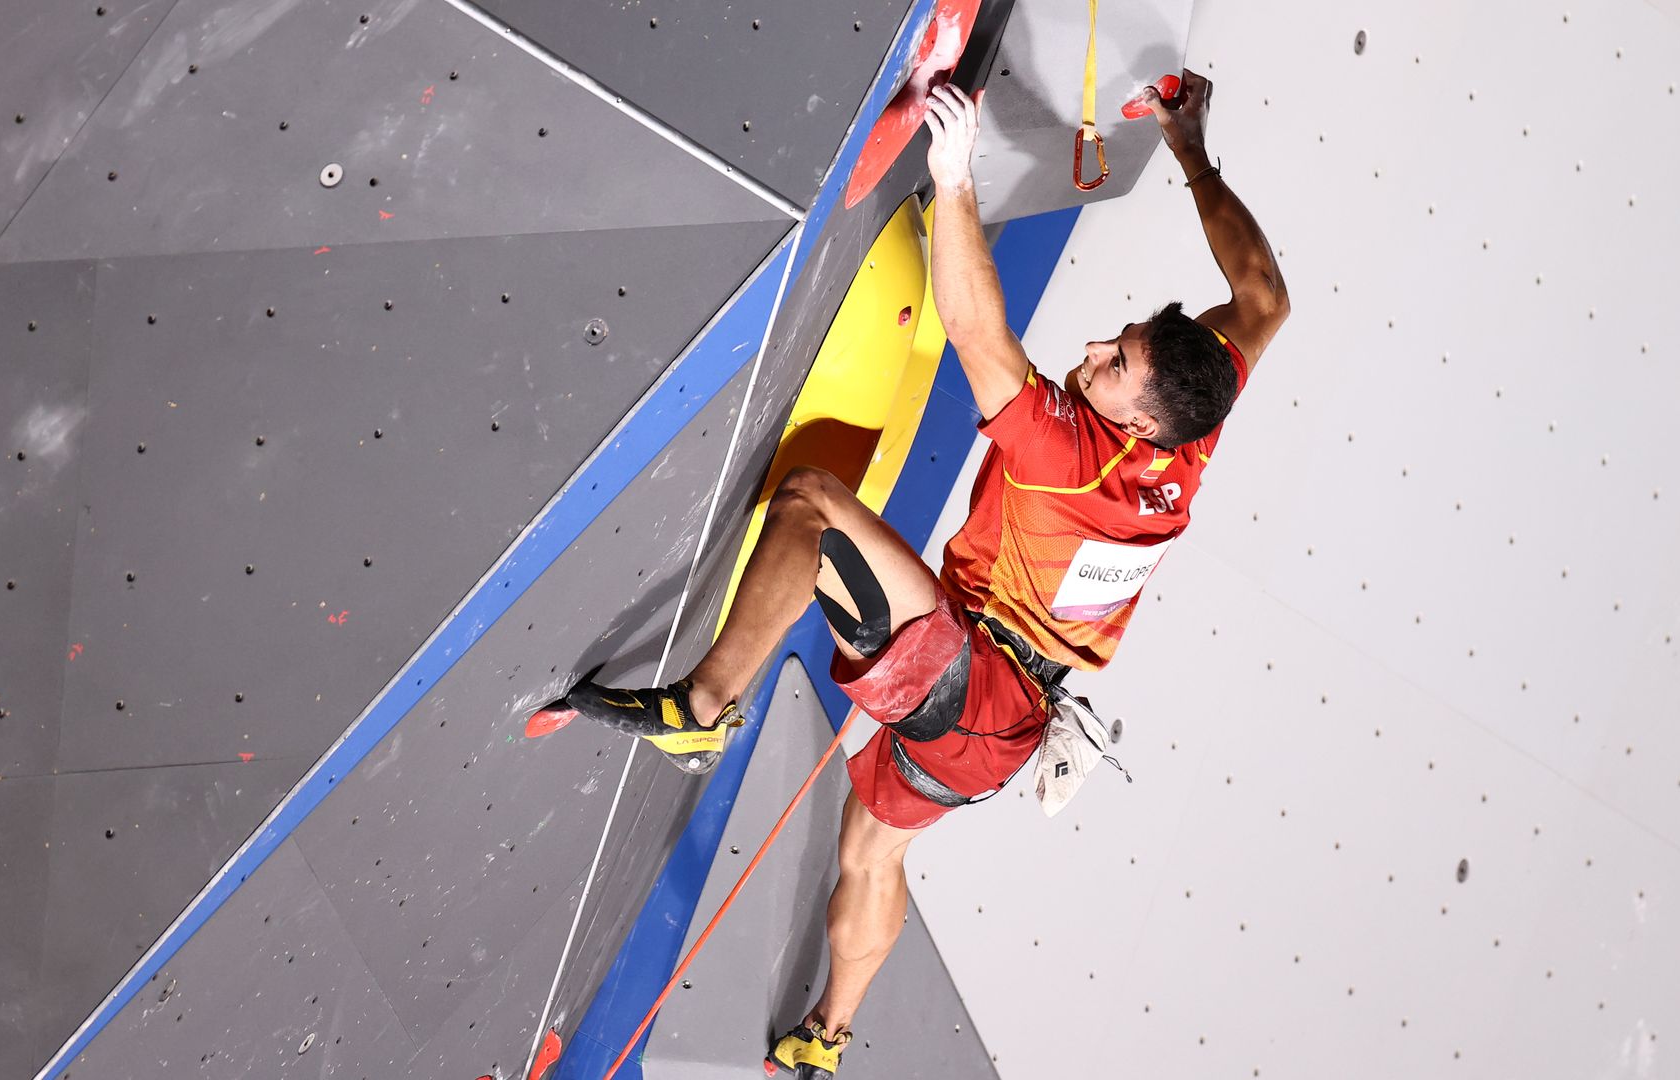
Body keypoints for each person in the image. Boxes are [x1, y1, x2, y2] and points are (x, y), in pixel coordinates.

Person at [528, 71, 1288, 1078]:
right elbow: (1265, 300)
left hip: (970, 676)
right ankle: (822, 1045)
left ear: (1138, 419)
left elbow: (980, 338)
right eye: (1121, 336)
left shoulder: (1083, 456)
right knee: (872, 852)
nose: (1096, 349)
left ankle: (708, 706)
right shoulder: (1184, 436)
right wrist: (1190, 151)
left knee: (810, 504)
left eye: (1112, 365)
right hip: (998, 728)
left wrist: (954, 176)